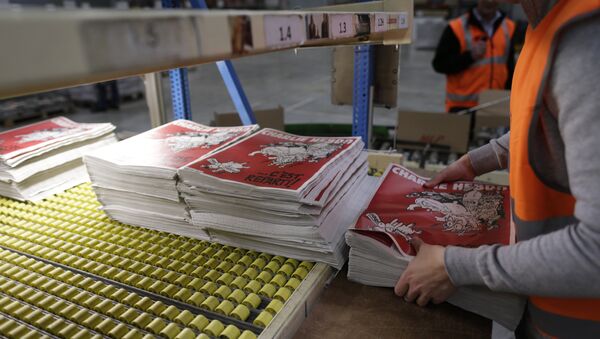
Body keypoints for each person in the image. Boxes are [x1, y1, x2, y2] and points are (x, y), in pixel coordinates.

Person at [395, 1, 600, 337]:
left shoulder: (585, 43)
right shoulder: (547, 23)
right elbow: (540, 123)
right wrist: (477, 161)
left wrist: (454, 267)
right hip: (543, 303)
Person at [432, 0, 515, 113]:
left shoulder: (509, 27)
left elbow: (510, 68)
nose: (489, 1)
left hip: (496, 104)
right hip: (463, 107)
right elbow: (439, 64)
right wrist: (469, 56)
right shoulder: (456, 28)